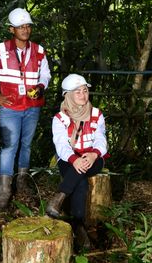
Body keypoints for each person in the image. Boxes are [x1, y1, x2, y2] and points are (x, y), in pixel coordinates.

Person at [0, 7, 51, 209]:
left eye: (27, 26)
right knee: (9, 147)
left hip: (32, 107)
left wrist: (42, 86)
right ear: (11, 29)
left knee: (26, 145)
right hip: (10, 107)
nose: (25, 30)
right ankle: (4, 191)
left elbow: (46, 74)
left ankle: (22, 181)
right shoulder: (0, 50)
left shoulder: (39, 51)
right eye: (20, 27)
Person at [45, 74, 108, 251]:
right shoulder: (60, 118)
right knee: (80, 181)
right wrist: (74, 159)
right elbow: (61, 145)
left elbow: (100, 140)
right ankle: (78, 225)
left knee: (81, 170)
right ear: (68, 95)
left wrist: (94, 154)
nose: (83, 95)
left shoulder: (96, 114)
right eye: (77, 92)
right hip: (69, 158)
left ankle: (59, 198)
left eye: (85, 91)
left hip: (92, 158)